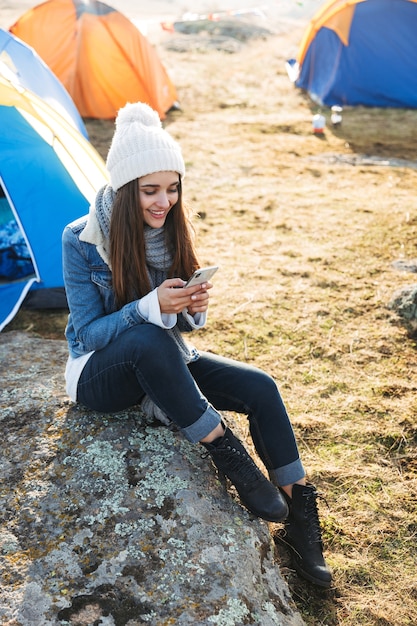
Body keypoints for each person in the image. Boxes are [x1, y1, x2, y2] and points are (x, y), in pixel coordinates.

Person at [62, 102, 332, 588]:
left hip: (164, 357)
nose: (163, 202)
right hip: (99, 375)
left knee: (261, 387)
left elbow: (181, 329)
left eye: (172, 188)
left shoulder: (172, 230)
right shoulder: (80, 239)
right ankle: (224, 449)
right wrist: (150, 306)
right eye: (150, 191)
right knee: (145, 334)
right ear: (125, 191)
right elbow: (87, 334)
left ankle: (298, 516)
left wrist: (191, 305)